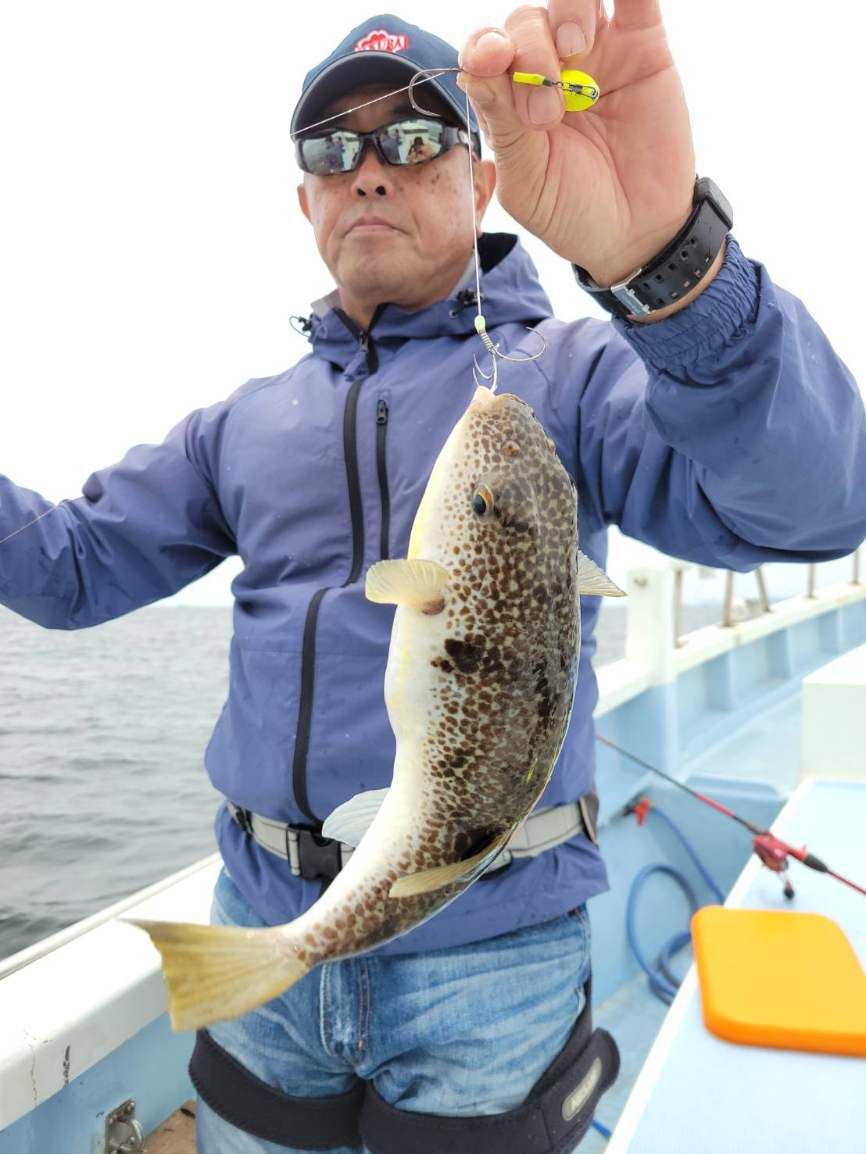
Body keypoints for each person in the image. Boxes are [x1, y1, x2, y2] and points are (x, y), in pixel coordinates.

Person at [2, 5, 865, 1153]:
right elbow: (67, 568)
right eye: (331, 148)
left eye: (412, 138)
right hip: (263, 911)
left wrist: (669, 266)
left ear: (482, 178)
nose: (367, 170)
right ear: (304, 199)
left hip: (493, 946)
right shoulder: (239, 423)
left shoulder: (581, 369)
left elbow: (812, 506)